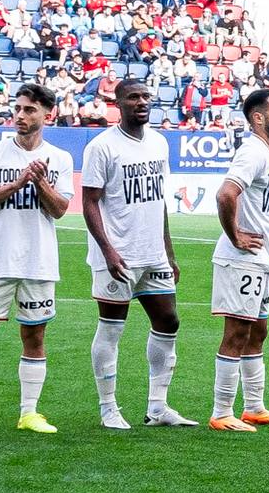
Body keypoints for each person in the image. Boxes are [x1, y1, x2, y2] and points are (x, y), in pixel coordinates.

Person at [0, 81, 71, 436]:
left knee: (34, 338)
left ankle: (29, 413)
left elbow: (61, 209)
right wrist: (17, 184)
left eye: (29, 110)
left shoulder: (60, 158)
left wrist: (40, 184)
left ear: (47, 115)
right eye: (17, 109)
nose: (20, 115)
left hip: (38, 262)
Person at [80, 76, 188, 427]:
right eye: (133, 98)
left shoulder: (158, 143)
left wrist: (169, 251)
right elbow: (90, 202)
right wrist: (108, 251)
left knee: (168, 321)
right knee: (112, 327)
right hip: (118, 254)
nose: (141, 102)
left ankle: (157, 407)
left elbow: (160, 202)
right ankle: (108, 408)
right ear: (118, 104)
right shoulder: (102, 147)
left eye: (146, 97)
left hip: (153, 253)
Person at [207, 87, 269, 432]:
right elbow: (226, 194)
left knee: (258, 331)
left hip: (260, 261)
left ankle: (254, 407)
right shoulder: (252, 152)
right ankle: (221, 411)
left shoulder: (268, 153)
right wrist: (236, 236)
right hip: (241, 260)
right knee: (237, 331)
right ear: (258, 118)